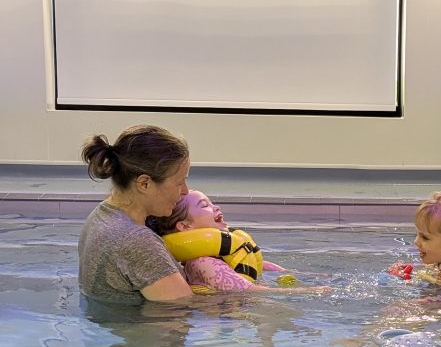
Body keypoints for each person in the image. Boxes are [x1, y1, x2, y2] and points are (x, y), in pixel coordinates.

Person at [79, 125, 193, 304]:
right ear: (144, 184)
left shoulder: (99, 216)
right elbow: (181, 310)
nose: (185, 191)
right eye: (179, 182)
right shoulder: (137, 241)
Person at [147, 189, 328, 295]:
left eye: (212, 203)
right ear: (185, 226)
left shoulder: (219, 255)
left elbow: (258, 265)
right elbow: (245, 290)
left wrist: (302, 275)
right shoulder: (201, 262)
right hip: (224, 320)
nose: (216, 207)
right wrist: (305, 291)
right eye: (205, 205)